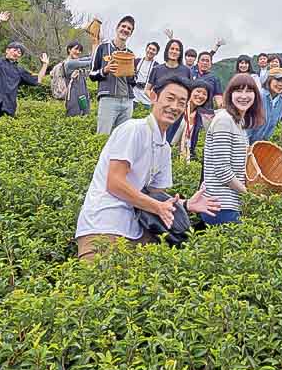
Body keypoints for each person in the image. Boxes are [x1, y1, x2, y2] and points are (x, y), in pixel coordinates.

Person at [74, 76, 222, 262]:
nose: (174, 106)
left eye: (181, 102)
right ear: (154, 97)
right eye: (169, 98)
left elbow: (155, 193)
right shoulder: (133, 129)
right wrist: (157, 207)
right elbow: (114, 183)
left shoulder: (164, 147)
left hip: (135, 230)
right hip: (102, 226)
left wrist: (185, 205)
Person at [202, 74, 265, 225]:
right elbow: (222, 170)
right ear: (230, 95)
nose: (244, 96)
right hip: (220, 205)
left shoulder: (238, 122)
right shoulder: (224, 120)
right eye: (238, 91)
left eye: (249, 91)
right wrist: (249, 195)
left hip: (230, 203)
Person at [0, 11, 49, 119]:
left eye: (19, 53)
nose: (16, 53)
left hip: (7, 109)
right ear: (7, 50)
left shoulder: (19, 71)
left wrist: (45, 64)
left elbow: (37, 80)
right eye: (15, 50)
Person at [89, 14, 137, 135]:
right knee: (103, 136)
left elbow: (133, 81)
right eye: (123, 26)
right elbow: (92, 74)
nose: (125, 30)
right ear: (117, 28)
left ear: (130, 33)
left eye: (129, 29)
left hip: (127, 101)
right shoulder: (102, 48)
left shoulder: (130, 54)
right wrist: (105, 70)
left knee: (122, 138)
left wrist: (131, 75)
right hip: (108, 99)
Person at [168, 82, 213, 161]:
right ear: (190, 91)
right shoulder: (178, 107)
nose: (200, 96)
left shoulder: (199, 116)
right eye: (198, 91)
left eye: (204, 94)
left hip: (183, 156)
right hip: (166, 150)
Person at [247, 67, 282, 142]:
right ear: (269, 80)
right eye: (277, 80)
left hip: (262, 144)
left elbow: (274, 125)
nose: (281, 84)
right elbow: (248, 123)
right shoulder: (259, 96)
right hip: (246, 141)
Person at [62, 40, 92, 117]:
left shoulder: (75, 61)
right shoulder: (70, 63)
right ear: (69, 49)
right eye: (75, 49)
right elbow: (90, 62)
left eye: (80, 50)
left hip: (82, 96)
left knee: (85, 116)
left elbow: (88, 58)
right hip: (73, 97)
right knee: (74, 117)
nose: (78, 52)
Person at [132, 41, 160, 106]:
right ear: (146, 49)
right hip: (134, 97)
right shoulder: (137, 61)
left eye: (153, 50)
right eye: (149, 48)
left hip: (147, 101)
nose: (150, 51)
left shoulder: (156, 66)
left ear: (156, 53)